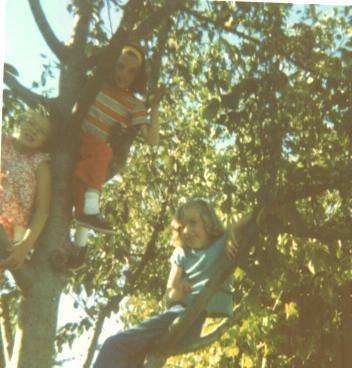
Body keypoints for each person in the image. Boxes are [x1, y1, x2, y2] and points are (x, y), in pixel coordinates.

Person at [93, 198, 239, 368]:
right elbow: (168, 295)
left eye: (193, 223)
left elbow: (251, 217)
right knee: (130, 358)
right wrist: (178, 292)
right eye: (181, 226)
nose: (187, 231)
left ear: (208, 222)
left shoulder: (222, 245)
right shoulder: (182, 252)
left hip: (195, 322)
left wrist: (231, 234)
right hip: (176, 318)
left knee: (113, 345)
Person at [68, 43, 163, 268]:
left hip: (92, 150)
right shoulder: (96, 84)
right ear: (112, 65)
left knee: (84, 188)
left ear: (138, 75)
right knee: (104, 152)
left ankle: (79, 251)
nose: (124, 74)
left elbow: (152, 140)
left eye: (131, 71)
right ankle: (91, 211)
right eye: (120, 67)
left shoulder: (134, 104)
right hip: (75, 138)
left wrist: (155, 107)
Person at [0, 110, 52, 271]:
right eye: (31, 123)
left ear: (46, 142)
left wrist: (24, 247)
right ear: (22, 122)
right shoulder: (3, 141)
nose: (33, 131)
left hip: (15, 231)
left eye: (41, 131)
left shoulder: (40, 164)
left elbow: (42, 211)